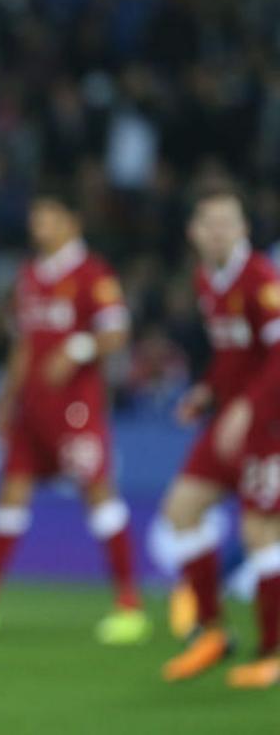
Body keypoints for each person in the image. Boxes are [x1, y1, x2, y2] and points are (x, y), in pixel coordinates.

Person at [0, 185, 150, 645]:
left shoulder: (92, 274)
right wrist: (6, 398)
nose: (38, 225)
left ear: (72, 223)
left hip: (77, 410)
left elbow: (117, 331)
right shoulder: (29, 276)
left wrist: (77, 347)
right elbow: (24, 343)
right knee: (9, 498)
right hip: (33, 410)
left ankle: (130, 607)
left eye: (48, 217)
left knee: (99, 496)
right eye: (35, 217)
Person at [158, 182, 280, 686]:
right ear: (194, 232)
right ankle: (211, 630)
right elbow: (231, 357)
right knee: (182, 510)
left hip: (267, 424)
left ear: (244, 228)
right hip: (228, 417)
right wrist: (206, 393)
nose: (219, 232)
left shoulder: (261, 280)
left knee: (260, 533)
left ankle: (274, 651)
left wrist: (247, 409)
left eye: (228, 222)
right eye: (210, 224)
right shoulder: (207, 279)